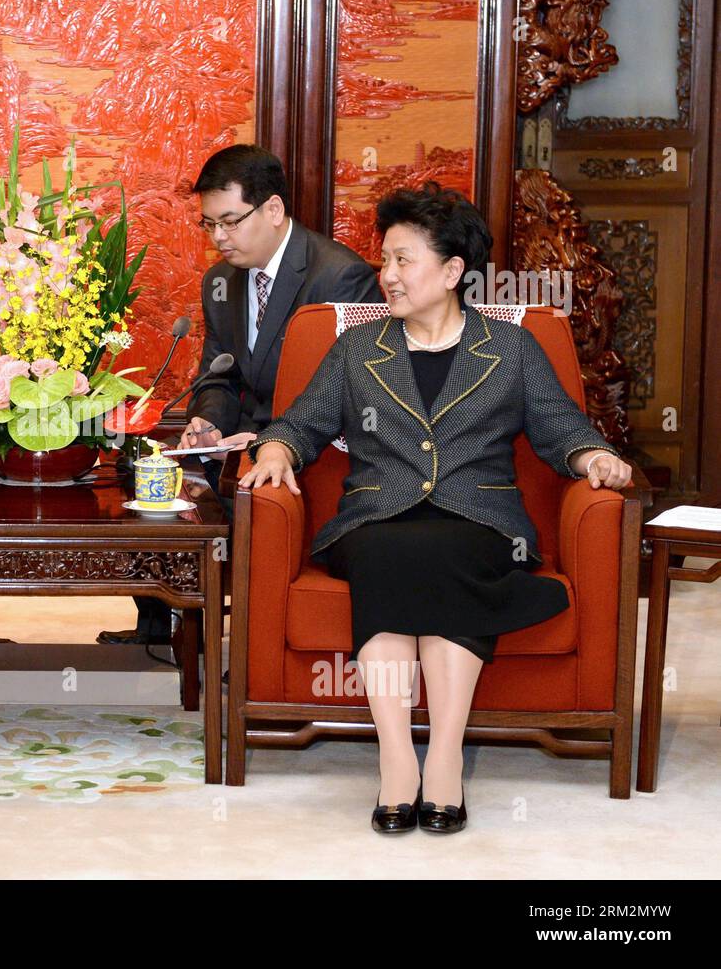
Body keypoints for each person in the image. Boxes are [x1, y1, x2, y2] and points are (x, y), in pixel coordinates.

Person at [239, 182, 633, 834]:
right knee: (395, 548)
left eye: (404, 260)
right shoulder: (357, 348)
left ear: (452, 271)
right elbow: (301, 423)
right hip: (375, 516)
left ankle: (443, 755)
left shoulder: (509, 348)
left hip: (480, 518)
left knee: (443, 549)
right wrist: (277, 448)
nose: (386, 275)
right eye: (384, 260)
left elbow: (561, 426)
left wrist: (591, 457)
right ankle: (399, 758)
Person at [100, 143, 381, 645]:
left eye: (230, 221)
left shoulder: (339, 276)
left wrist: (266, 438)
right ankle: (165, 615)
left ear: (272, 209)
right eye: (209, 224)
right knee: (142, 466)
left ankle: (246, 629)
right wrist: (207, 420)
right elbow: (220, 375)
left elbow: (348, 395)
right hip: (236, 444)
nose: (219, 238)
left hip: (306, 451)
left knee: (240, 485)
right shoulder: (220, 282)